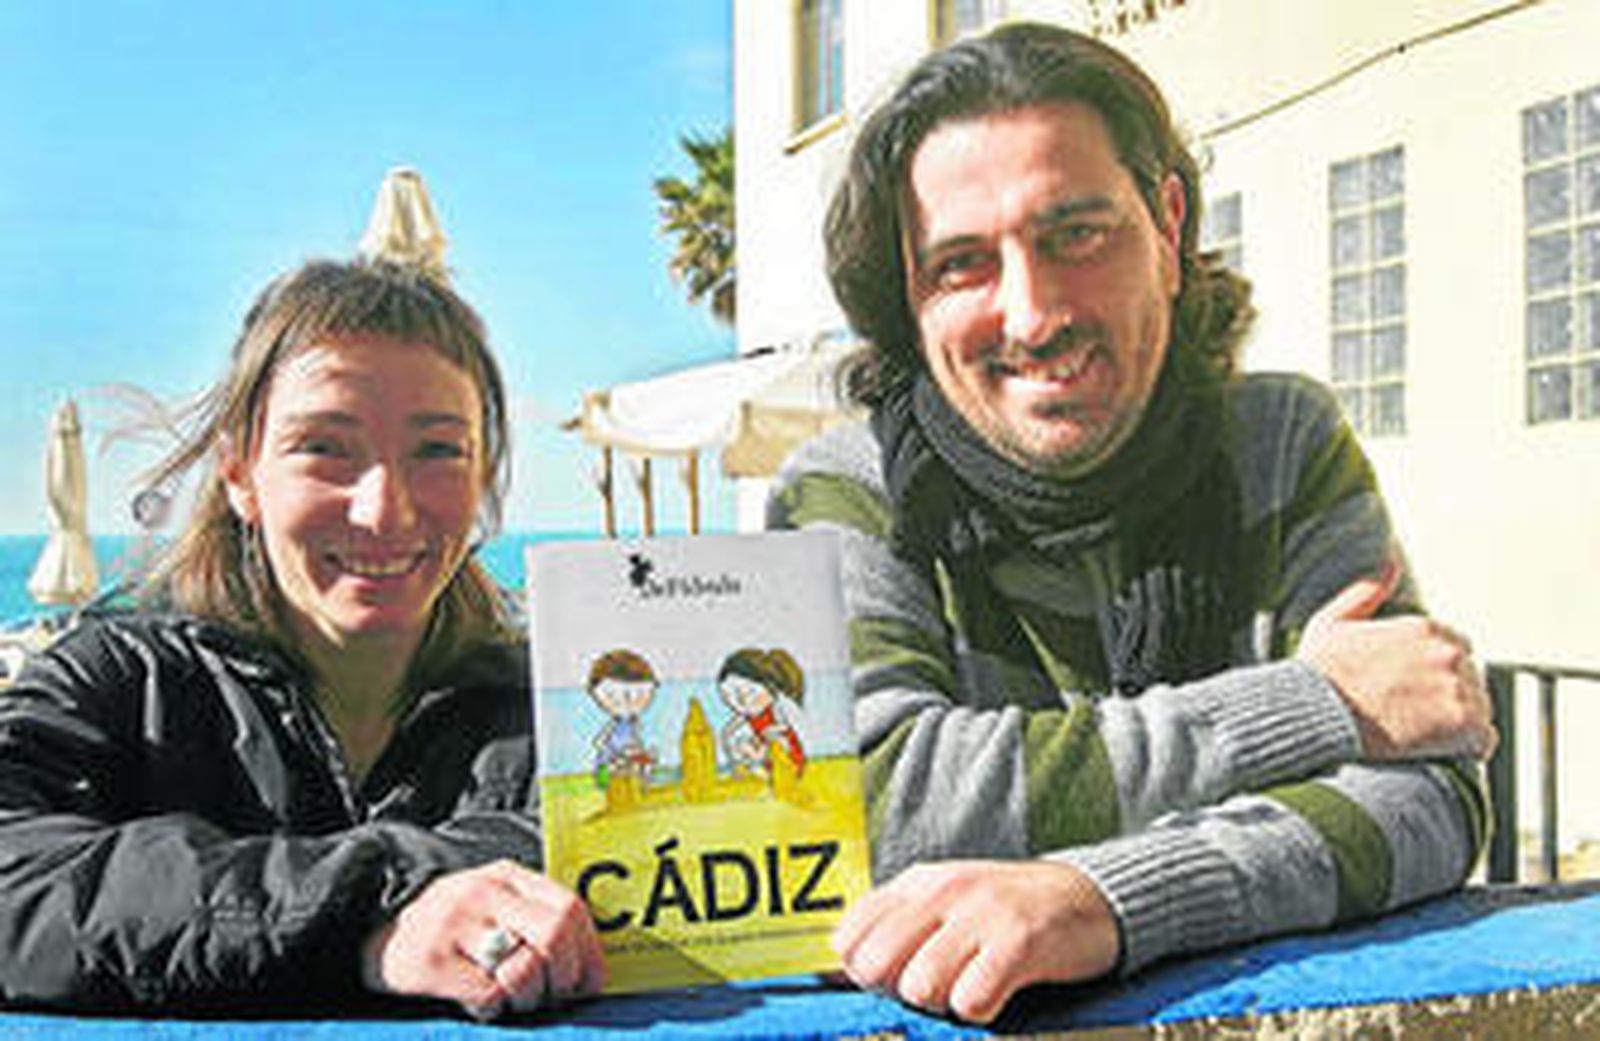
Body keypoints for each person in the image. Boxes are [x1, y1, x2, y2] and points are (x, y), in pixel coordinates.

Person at [766, 22, 1496, 1025]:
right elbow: (866, 806)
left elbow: (1429, 796)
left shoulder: (1282, 442)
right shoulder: (845, 491)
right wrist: (1313, 703)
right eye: (963, 264)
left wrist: (1106, 898)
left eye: (1076, 234)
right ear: (909, 297)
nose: (1033, 315)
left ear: (1167, 222)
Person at [0, 258, 604, 1018]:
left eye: (438, 451)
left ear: (484, 478)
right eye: (324, 447)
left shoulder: (558, 707)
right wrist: (374, 923)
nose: (384, 511)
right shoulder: (119, 679)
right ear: (238, 474)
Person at [717, 647, 807, 776]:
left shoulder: (776, 709)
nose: (741, 701)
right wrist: (729, 735)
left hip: (785, 754)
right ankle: (747, 769)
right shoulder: (747, 716)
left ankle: (759, 769)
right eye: (728, 696)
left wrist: (767, 735)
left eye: (748, 693)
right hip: (764, 752)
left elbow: (783, 727)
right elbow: (730, 730)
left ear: (771, 687)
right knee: (742, 745)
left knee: (753, 749)